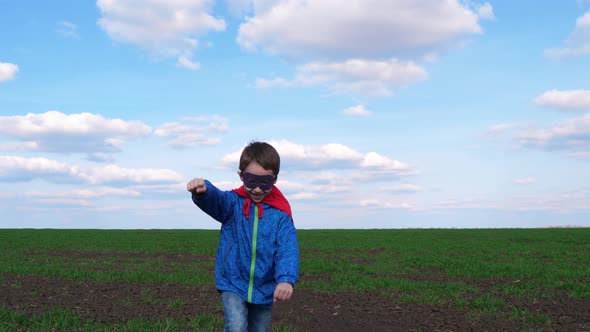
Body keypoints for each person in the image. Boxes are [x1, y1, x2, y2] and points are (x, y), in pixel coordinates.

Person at [187, 141, 299, 332]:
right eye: (251, 181)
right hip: (233, 281)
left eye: (265, 183)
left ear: (275, 180)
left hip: (265, 286)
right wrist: (203, 191)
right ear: (241, 176)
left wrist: (286, 279)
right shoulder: (233, 204)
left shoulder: (281, 214)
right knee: (237, 326)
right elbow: (216, 200)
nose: (257, 189)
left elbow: (287, 249)